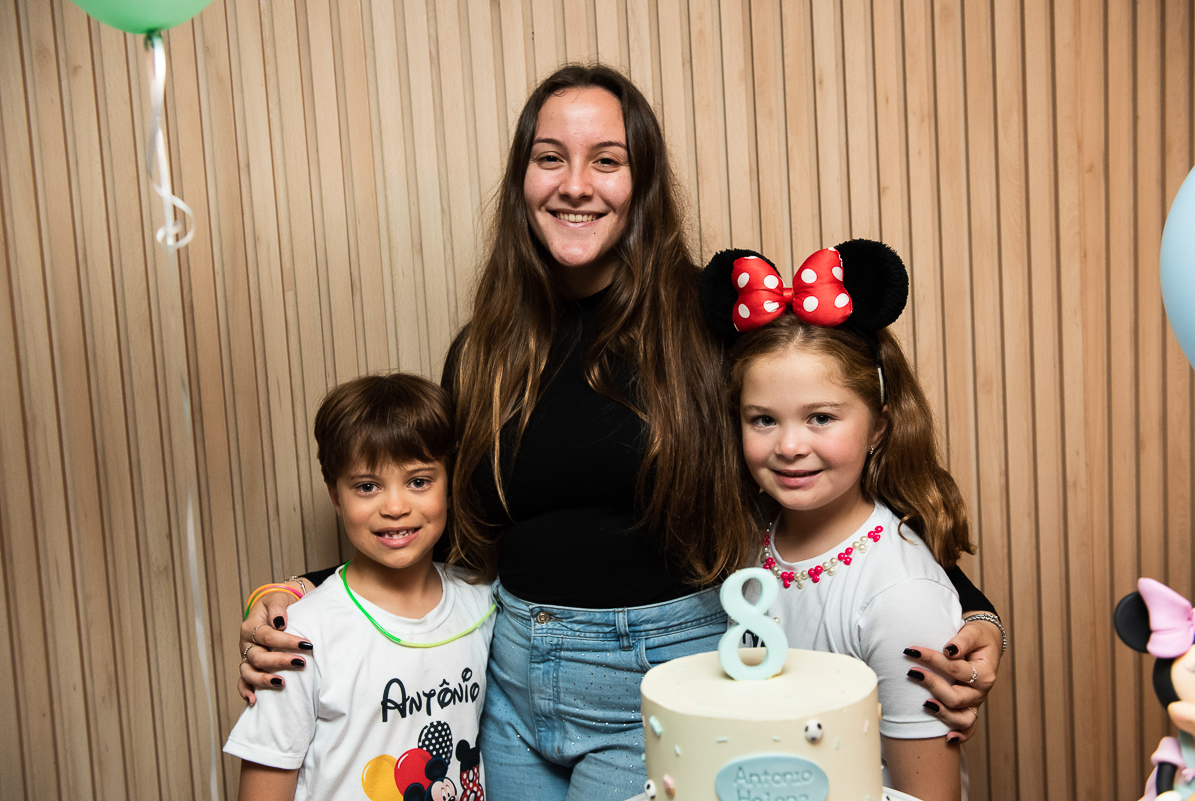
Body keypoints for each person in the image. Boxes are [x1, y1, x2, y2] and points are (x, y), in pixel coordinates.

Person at [238, 65, 1004, 801]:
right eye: (550, 159)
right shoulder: (484, 349)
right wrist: (305, 592)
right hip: (509, 682)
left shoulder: (710, 324)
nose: (575, 183)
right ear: (522, 183)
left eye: (606, 160)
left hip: (661, 672)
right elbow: (444, 521)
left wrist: (968, 609)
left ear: (642, 184)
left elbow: (832, 478)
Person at [705, 242, 974, 800]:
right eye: (762, 420)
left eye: (821, 417)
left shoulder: (900, 596)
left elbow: (928, 794)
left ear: (878, 426)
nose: (789, 446)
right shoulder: (751, 541)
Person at [224, 373, 495, 801]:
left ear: (451, 481)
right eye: (367, 487)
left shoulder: (484, 603)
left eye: (419, 481)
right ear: (335, 495)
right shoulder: (299, 638)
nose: (395, 506)